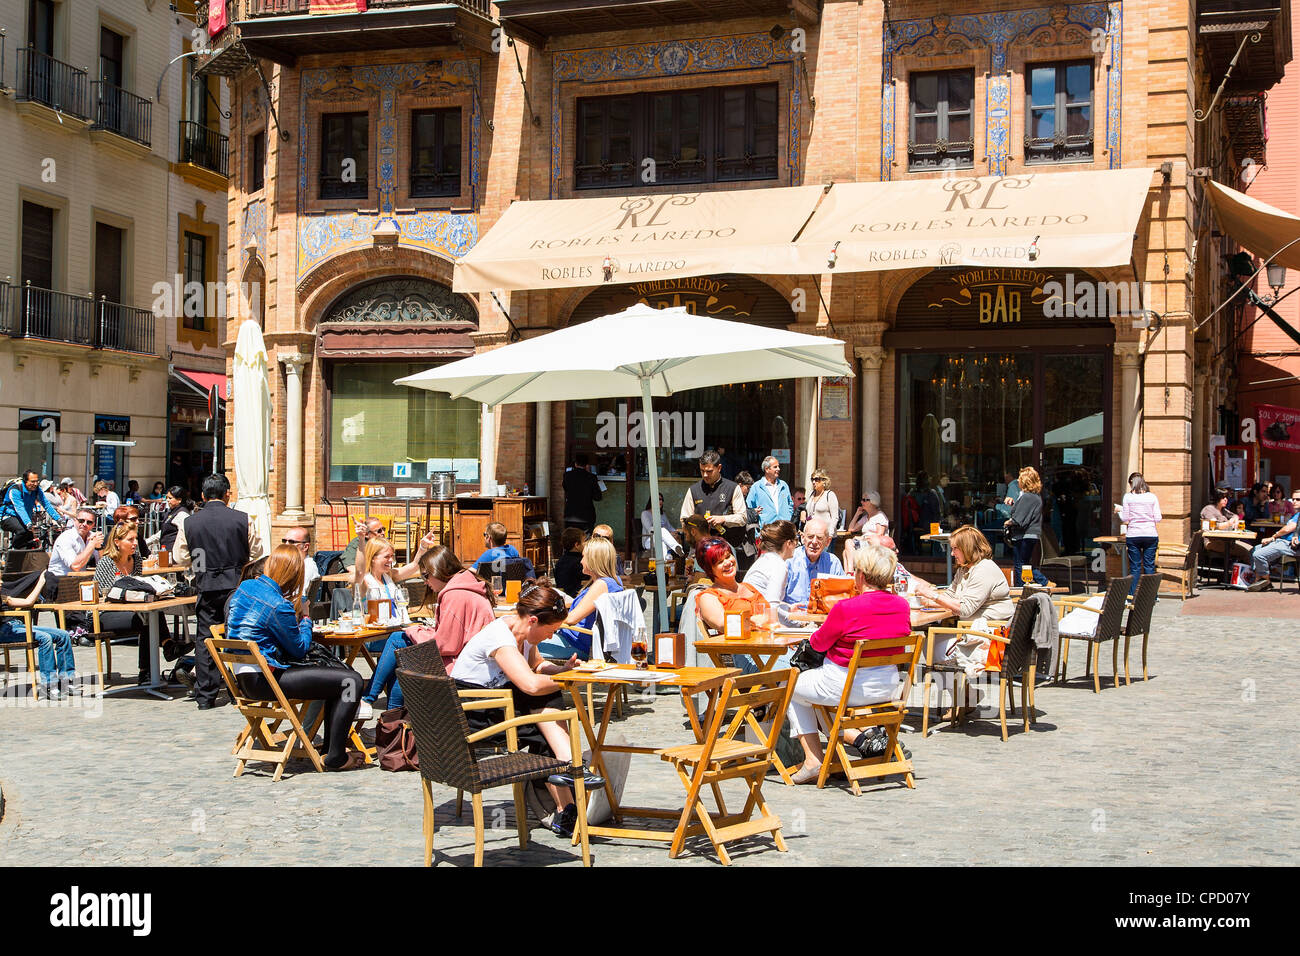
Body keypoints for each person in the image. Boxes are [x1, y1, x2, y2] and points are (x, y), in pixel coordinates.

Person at [452, 584, 584, 836]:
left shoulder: (521, 632)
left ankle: (568, 787)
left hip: (495, 703)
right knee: (545, 718)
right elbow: (531, 685)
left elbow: (537, 664)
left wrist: (563, 669)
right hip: (471, 713)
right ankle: (570, 777)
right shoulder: (500, 638)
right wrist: (572, 680)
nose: (550, 638)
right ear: (533, 620)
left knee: (546, 710)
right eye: (550, 631)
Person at [227, 544, 366, 770]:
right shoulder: (279, 605)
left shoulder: (246, 587)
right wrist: (306, 616)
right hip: (267, 680)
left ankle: (332, 750)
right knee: (351, 680)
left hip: (245, 679)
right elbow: (299, 649)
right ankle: (336, 756)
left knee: (337, 680)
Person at [786, 543, 912, 784]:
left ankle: (814, 759)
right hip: (886, 687)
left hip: (845, 687)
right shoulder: (902, 606)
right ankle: (848, 743)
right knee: (817, 695)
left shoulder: (847, 608)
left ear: (860, 575)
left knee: (792, 686)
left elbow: (818, 643)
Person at [174, 473, 263, 710]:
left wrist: (198, 566)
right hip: (236, 585)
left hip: (207, 585)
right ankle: (240, 690)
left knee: (205, 640)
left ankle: (206, 695)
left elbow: (180, 557)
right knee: (238, 636)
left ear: (203, 496)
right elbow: (257, 552)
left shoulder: (189, 522)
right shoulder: (243, 519)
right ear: (227, 495)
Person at [912, 524, 1013, 710]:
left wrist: (933, 596)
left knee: (934, 644)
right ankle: (965, 696)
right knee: (931, 641)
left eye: (955, 549)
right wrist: (925, 600)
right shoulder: (965, 569)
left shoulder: (984, 570)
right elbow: (951, 596)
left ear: (967, 548)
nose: (952, 554)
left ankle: (964, 697)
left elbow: (965, 609)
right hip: (977, 631)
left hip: (992, 638)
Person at [95, 521, 175, 683]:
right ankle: (152, 665)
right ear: (117, 542)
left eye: (135, 539)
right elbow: (104, 594)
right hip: (105, 613)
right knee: (146, 619)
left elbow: (138, 587)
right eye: (130, 540)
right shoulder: (106, 562)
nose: (135, 543)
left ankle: (152, 668)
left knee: (151, 613)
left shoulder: (136, 560)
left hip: (132, 609)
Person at [2, 570, 79, 698]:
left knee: (63, 635)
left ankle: (66, 681)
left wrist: (41, 581)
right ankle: (49, 685)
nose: (1, 583)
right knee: (45, 638)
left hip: (16, 625)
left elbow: (28, 602)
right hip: (4, 631)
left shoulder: (4, 597)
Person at [548, 536, 624, 658]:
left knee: (525, 643)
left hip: (574, 643)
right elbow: (587, 607)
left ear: (594, 560)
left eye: (583, 557)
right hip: (576, 640)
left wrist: (543, 619)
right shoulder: (612, 581)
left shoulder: (601, 585)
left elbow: (572, 619)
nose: (581, 561)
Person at [47, 507, 104, 640]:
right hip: (60, 583)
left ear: (93, 525)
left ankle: (88, 627)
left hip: (79, 583)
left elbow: (102, 563)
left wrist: (99, 546)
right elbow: (76, 566)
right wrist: (91, 545)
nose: (84, 524)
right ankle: (77, 632)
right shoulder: (66, 538)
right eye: (81, 520)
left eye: (89, 522)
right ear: (74, 520)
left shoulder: (91, 537)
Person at [679, 450, 748, 559]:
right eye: (702, 471)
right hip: (699, 548)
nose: (705, 475)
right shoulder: (693, 490)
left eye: (709, 471)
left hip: (724, 548)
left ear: (719, 468)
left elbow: (742, 517)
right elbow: (684, 519)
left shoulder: (732, 488)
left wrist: (723, 519)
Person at [695, 537, 770, 633]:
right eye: (720, 562)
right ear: (710, 569)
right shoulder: (708, 597)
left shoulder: (749, 588)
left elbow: (770, 617)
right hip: (738, 647)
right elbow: (723, 624)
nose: (727, 563)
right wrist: (752, 621)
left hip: (767, 644)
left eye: (727, 556)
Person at [781, 516, 845, 605]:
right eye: (810, 537)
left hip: (822, 617)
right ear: (803, 538)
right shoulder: (789, 560)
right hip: (793, 616)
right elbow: (775, 600)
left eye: (819, 538)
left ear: (828, 541)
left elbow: (841, 597)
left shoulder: (833, 563)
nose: (814, 542)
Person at [1117, 472, 1162, 598]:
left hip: (1134, 535)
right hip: (1150, 534)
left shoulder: (1128, 497)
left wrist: (1119, 512)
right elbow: (1158, 518)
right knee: (1149, 566)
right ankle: (1152, 595)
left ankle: (1132, 595)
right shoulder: (1152, 497)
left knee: (1135, 567)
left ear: (1132, 484)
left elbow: (1125, 518)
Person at [1005, 466, 1049, 587]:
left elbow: (1019, 517)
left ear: (1025, 481)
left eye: (1020, 478)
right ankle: (1042, 581)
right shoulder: (1034, 496)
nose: (1018, 480)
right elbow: (1024, 511)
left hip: (1024, 534)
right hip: (1032, 534)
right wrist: (1013, 503)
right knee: (1025, 562)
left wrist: (1010, 522)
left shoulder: (1027, 496)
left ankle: (1023, 587)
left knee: (1020, 564)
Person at [2, 470, 65, 549]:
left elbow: (46, 505)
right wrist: (28, 523)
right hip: (8, 516)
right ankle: (13, 551)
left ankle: (26, 556)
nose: (35, 484)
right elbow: (20, 508)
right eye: (32, 482)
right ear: (25, 481)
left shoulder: (37, 490)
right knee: (22, 531)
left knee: (32, 541)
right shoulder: (15, 490)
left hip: (24, 519)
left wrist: (59, 519)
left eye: (37, 481)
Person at [1247, 503, 1300, 591]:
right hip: (1282, 541)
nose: (1294, 501)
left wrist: (1273, 537)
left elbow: (1288, 528)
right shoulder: (1296, 514)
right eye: (1293, 499)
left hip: (1290, 544)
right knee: (1253, 550)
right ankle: (1262, 580)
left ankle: (1264, 581)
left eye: (1298, 499)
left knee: (1258, 554)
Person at [743, 520, 798, 604]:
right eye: (796, 540)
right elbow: (772, 605)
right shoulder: (779, 565)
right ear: (788, 543)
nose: (796, 545)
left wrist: (788, 608)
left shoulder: (765, 559)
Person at [472, 521, 536, 579]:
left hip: (496, 586)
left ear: (489, 538)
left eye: (484, 534)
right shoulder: (512, 549)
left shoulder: (489, 554)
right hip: (511, 585)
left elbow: (471, 571)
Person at [280, 526, 320, 610]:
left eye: (291, 542)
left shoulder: (308, 566)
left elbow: (300, 596)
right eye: (284, 541)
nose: (286, 545)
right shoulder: (290, 564)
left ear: (305, 546)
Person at [746, 456, 794, 524]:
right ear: (767, 469)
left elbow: (790, 504)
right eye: (775, 467)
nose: (778, 469)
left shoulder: (784, 485)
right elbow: (749, 507)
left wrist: (787, 517)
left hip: (783, 527)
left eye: (778, 466)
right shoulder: (756, 487)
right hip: (766, 529)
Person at [563, 452, 602, 533]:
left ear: (575, 464)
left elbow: (566, 488)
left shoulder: (567, 475)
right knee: (586, 542)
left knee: (571, 540)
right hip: (586, 516)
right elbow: (598, 497)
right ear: (587, 465)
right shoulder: (591, 477)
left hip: (570, 515)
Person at [146, 487, 192, 554]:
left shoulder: (182, 514)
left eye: (170, 498)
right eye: (167, 497)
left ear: (179, 500)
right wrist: (148, 541)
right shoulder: (171, 511)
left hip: (175, 554)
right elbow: (164, 531)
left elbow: (184, 535)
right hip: (166, 551)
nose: (167, 500)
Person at [552, 527, 586, 595]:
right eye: (584, 541)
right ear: (576, 545)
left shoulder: (560, 561)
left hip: (563, 595)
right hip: (576, 595)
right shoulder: (580, 562)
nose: (585, 544)